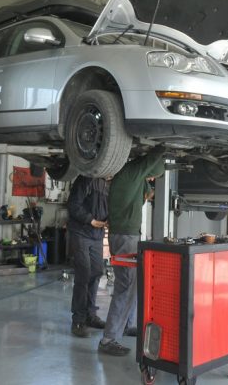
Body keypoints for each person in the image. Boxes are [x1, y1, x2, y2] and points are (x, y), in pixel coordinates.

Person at [98, 147, 165, 356]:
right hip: (125, 237)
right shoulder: (131, 171)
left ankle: (128, 324)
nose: (152, 178)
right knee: (125, 286)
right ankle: (108, 339)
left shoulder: (130, 175)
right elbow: (155, 162)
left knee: (133, 284)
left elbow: (148, 189)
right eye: (150, 175)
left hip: (126, 235)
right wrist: (163, 146)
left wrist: (149, 179)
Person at [67, 176, 110, 338]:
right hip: (81, 233)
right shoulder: (85, 179)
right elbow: (73, 205)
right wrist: (90, 220)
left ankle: (90, 315)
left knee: (97, 272)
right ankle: (78, 320)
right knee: (83, 274)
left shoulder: (108, 185)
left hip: (97, 235)